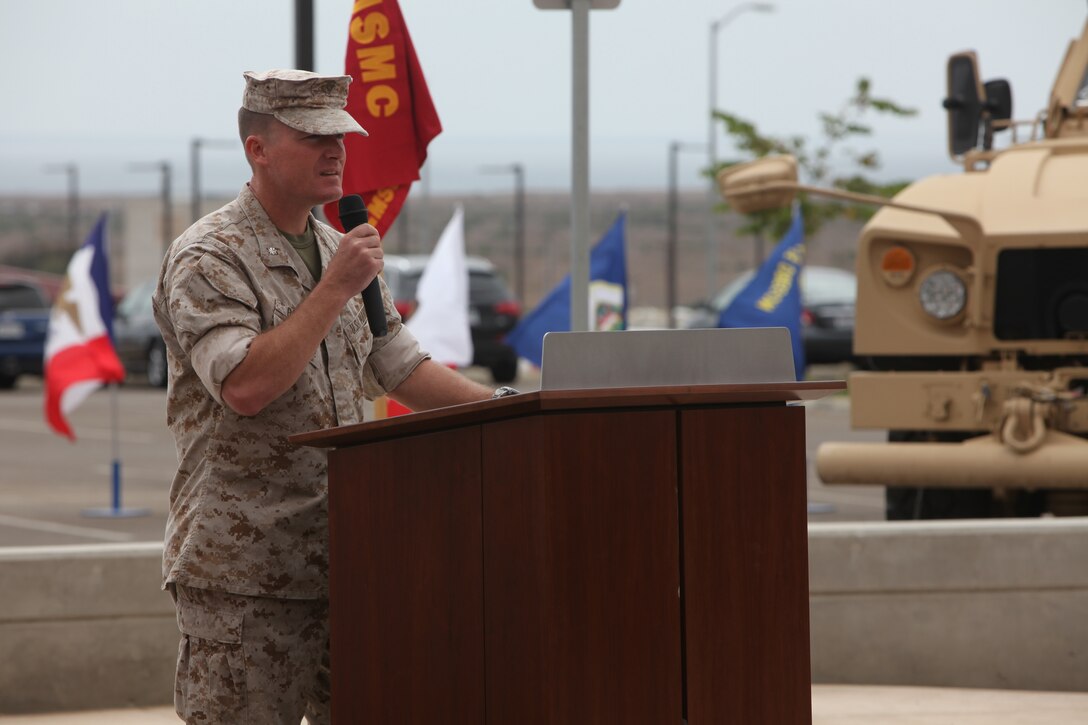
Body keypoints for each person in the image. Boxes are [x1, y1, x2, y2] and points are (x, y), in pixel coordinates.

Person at [153, 69, 505, 724]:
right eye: (314, 137)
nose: (335, 152)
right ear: (257, 149)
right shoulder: (211, 255)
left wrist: (506, 411)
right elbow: (245, 385)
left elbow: (397, 363)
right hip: (246, 575)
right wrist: (332, 290)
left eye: (339, 136)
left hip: (347, 559)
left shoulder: (335, 248)